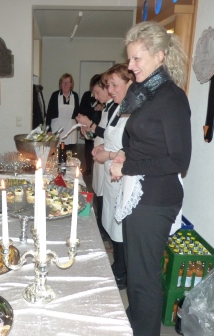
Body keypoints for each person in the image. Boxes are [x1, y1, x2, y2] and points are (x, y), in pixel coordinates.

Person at [110, 21, 191, 336]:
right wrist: (125, 155)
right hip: (140, 196)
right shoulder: (146, 94)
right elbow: (145, 144)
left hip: (155, 199)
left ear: (159, 56)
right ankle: (135, 323)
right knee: (137, 273)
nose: (130, 67)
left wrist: (128, 166)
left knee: (144, 280)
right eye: (129, 59)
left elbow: (179, 160)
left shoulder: (171, 98)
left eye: (136, 59)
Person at [90, 64, 135, 290]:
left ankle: (122, 271)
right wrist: (102, 151)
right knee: (110, 220)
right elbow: (110, 138)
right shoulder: (118, 108)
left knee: (120, 228)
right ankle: (118, 264)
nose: (110, 89)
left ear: (130, 83)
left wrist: (106, 154)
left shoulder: (135, 111)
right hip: (110, 175)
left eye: (114, 85)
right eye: (108, 85)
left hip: (123, 179)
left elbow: (131, 152)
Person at [76, 74, 115, 241]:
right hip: (99, 153)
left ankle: (104, 231)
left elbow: (110, 135)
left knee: (105, 197)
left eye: (98, 92)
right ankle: (100, 227)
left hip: (108, 157)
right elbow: (100, 131)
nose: (95, 97)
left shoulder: (115, 108)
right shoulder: (105, 107)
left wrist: (90, 125)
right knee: (98, 192)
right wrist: (89, 130)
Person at [46, 73, 80, 150]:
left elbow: (77, 113)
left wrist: (81, 127)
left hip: (70, 129)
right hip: (57, 128)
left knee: (69, 153)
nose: (65, 84)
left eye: (68, 82)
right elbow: (49, 113)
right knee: (55, 152)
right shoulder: (55, 95)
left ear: (71, 84)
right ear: (60, 84)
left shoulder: (75, 96)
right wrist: (49, 130)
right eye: (63, 82)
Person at [79, 74, 104, 175]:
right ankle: (88, 167)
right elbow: (81, 109)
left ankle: (95, 169)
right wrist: (93, 108)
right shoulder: (86, 95)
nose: (96, 95)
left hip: (98, 125)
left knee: (97, 147)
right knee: (88, 146)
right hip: (87, 125)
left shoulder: (105, 100)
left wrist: (102, 107)